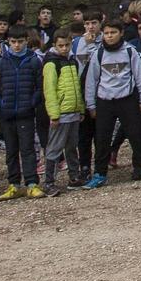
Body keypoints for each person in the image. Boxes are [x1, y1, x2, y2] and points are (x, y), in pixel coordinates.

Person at [81, 19, 141, 188]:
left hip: (127, 98)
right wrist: (91, 104)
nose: (109, 36)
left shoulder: (130, 51)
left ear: (121, 33)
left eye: (113, 33)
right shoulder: (98, 54)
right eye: (106, 33)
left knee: (137, 135)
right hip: (105, 100)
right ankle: (100, 174)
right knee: (102, 139)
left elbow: (140, 76)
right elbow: (91, 80)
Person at [0, 26, 43, 200]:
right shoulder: (1, 62)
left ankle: (32, 183)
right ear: (8, 42)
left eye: (20, 42)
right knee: (11, 150)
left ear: (26, 41)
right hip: (7, 113)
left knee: (27, 149)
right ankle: (14, 184)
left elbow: (40, 87)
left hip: (26, 113)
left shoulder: (34, 61)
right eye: (13, 42)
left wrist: (32, 102)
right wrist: (0, 105)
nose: (17, 46)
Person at [38, 30, 83, 196]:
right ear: (54, 45)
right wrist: (54, 114)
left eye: (67, 45)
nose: (64, 48)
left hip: (74, 111)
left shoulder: (72, 61)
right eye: (60, 45)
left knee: (72, 146)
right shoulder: (51, 63)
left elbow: (77, 86)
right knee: (55, 147)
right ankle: (49, 182)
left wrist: (81, 108)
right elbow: (49, 90)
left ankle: (74, 176)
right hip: (61, 113)